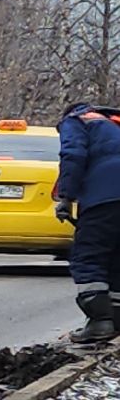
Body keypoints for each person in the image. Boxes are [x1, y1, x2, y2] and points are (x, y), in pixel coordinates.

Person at [56, 101, 120, 344]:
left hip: (105, 196)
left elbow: (73, 154)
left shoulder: (76, 120)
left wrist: (66, 196)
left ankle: (100, 323)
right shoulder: (113, 124)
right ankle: (115, 320)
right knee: (116, 259)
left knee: (89, 255)